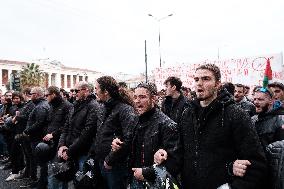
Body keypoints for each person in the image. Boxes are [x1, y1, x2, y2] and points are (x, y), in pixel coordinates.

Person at [179, 64, 267, 189]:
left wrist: (231, 187)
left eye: (206, 79)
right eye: (196, 79)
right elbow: (180, 152)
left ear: (218, 84)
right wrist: (164, 152)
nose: (199, 83)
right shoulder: (187, 114)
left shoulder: (236, 115)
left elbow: (256, 164)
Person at [112, 82, 181, 188]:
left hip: (154, 183)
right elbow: (130, 142)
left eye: (142, 97)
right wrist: (118, 142)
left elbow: (173, 164)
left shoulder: (167, 125)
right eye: (135, 97)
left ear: (153, 98)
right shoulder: (135, 120)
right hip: (132, 178)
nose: (137, 101)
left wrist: (146, 173)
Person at [91, 76, 137, 189]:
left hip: (115, 166)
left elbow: (129, 138)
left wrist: (110, 160)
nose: (94, 91)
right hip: (101, 161)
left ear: (106, 91)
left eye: (96, 88)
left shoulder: (125, 110)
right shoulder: (103, 107)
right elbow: (100, 134)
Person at [55, 81, 100, 189]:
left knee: (83, 183)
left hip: (84, 153)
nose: (74, 93)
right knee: (72, 180)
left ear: (87, 91)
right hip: (71, 151)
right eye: (73, 90)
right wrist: (61, 145)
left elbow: (87, 133)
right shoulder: (74, 105)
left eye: (76, 90)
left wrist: (70, 151)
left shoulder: (93, 106)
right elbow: (66, 127)